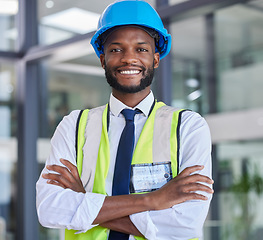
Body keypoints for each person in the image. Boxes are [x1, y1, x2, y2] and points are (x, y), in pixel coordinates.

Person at [36, 0, 213, 239]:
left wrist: (86, 205)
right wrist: (153, 200)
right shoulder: (74, 126)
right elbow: (50, 210)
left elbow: (185, 225)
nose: (129, 58)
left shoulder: (188, 126)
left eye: (141, 49)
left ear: (156, 59)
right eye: (116, 49)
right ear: (103, 60)